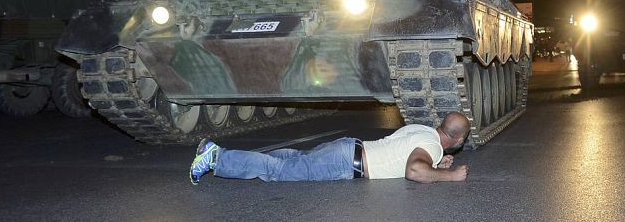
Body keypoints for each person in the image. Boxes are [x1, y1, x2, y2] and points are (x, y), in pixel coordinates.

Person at [189, 111, 471, 185]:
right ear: (458, 140)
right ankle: (217, 158)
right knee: (279, 171)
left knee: (290, 160)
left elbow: (403, 151)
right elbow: (414, 170)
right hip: (345, 162)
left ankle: (221, 154)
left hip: (349, 147)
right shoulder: (431, 145)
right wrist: (450, 175)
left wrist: (435, 164)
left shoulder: (423, 132)